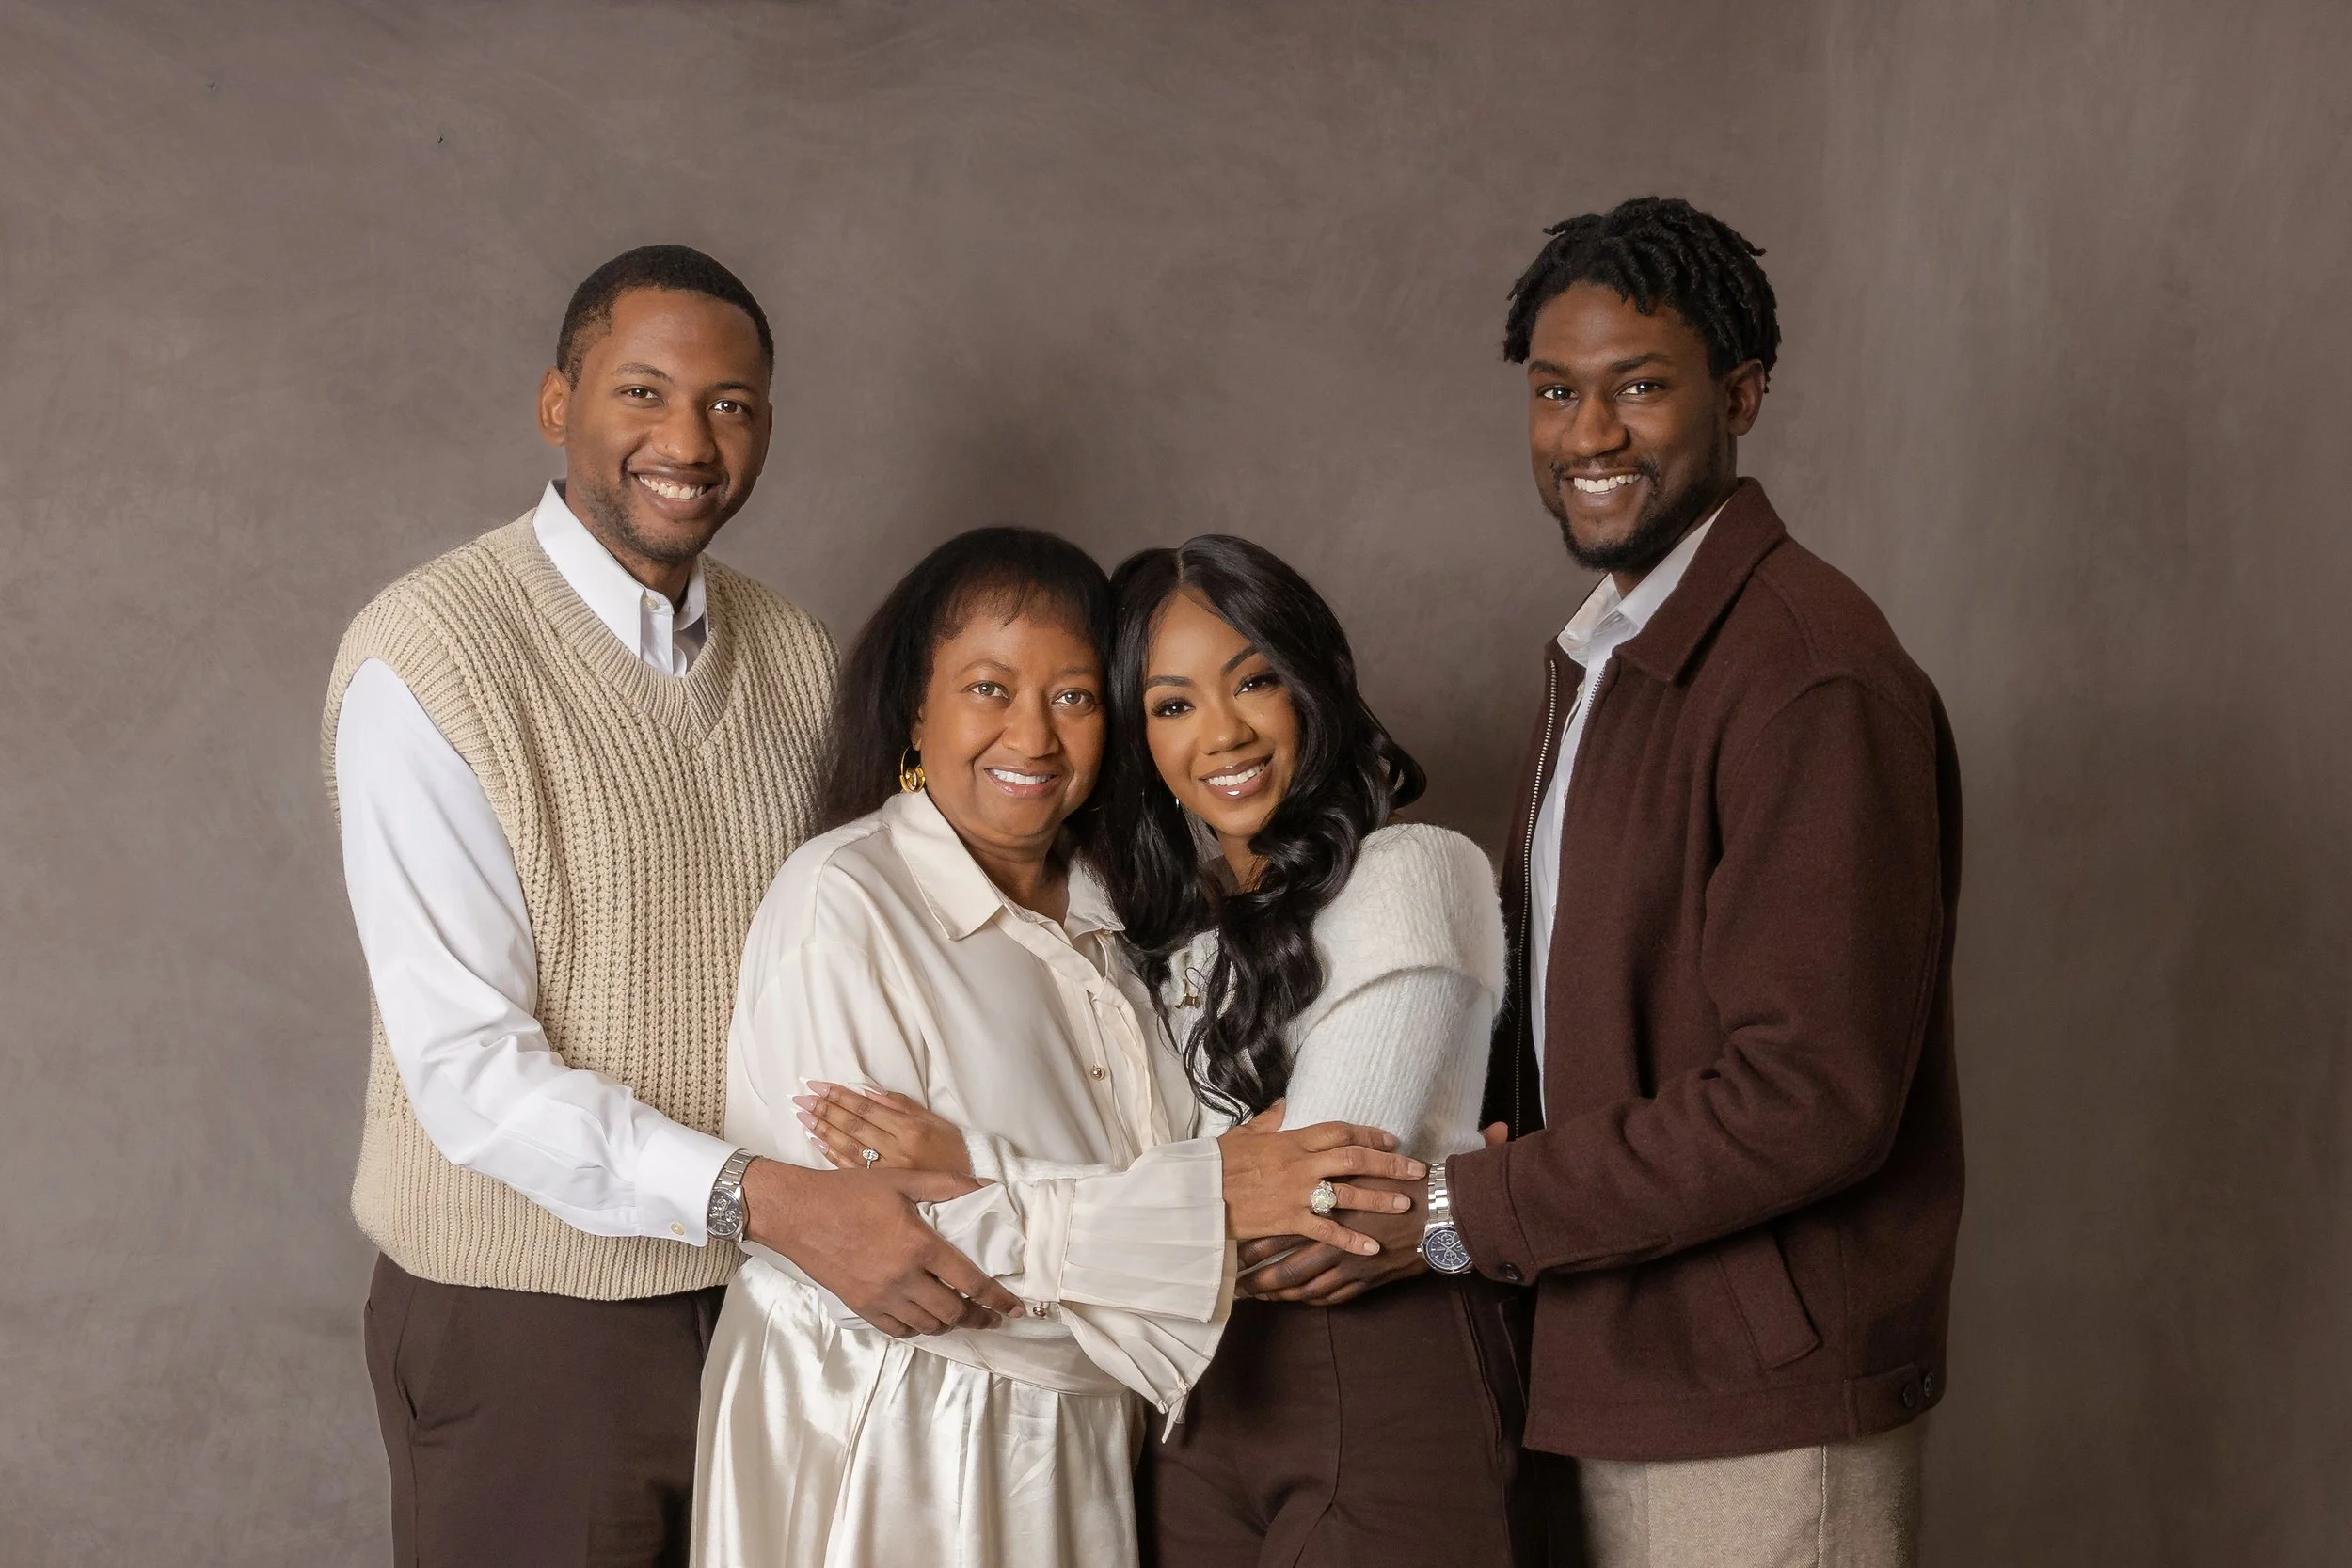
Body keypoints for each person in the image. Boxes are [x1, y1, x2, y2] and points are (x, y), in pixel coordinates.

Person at [324, 245, 1021, 1568]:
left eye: (732, 405)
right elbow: (470, 1072)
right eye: (642, 392)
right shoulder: (430, 655)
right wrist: (770, 1202)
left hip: (783, 1299)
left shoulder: (801, 651)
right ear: (556, 403)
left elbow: (894, 940)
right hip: (537, 1324)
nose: (688, 441)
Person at [693, 527, 1424, 1568]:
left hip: (1086, 1450)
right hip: (893, 1438)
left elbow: (1141, 1205)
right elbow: (902, 1262)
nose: (1032, 735)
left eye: (1073, 696)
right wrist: (1209, 1208)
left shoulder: (1122, 923)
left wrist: (988, 1180)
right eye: (988, 688)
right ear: (916, 705)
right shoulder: (844, 900)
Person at [1428, 197, 1965, 1565]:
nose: (1588, 434)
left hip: (1759, 1407)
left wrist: (1464, 1212)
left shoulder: (1808, 675)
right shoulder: (1612, 655)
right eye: (1556, 391)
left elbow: (1812, 1095)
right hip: (1608, 1357)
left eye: (1639, 387)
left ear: (1742, 391)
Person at [1103, 535, 1541, 1566]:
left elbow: (1313, 1221)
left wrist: (1117, 1217)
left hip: (1380, 1381)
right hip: (1194, 1410)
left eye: (1254, 679)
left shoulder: (1414, 872)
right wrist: (1204, 1186)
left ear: (1311, 686)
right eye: (1172, 705)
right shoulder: (1154, 945)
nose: (1222, 731)